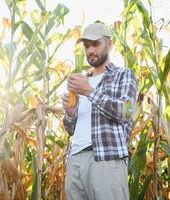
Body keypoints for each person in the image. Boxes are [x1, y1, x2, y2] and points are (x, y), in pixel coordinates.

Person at [62, 23, 138, 200]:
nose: (90, 50)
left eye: (96, 44)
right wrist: (71, 113)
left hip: (106, 160)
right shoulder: (82, 80)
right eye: (87, 46)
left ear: (109, 45)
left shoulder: (123, 75)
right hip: (75, 161)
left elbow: (126, 112)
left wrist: (89, 91)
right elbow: (70, 129)